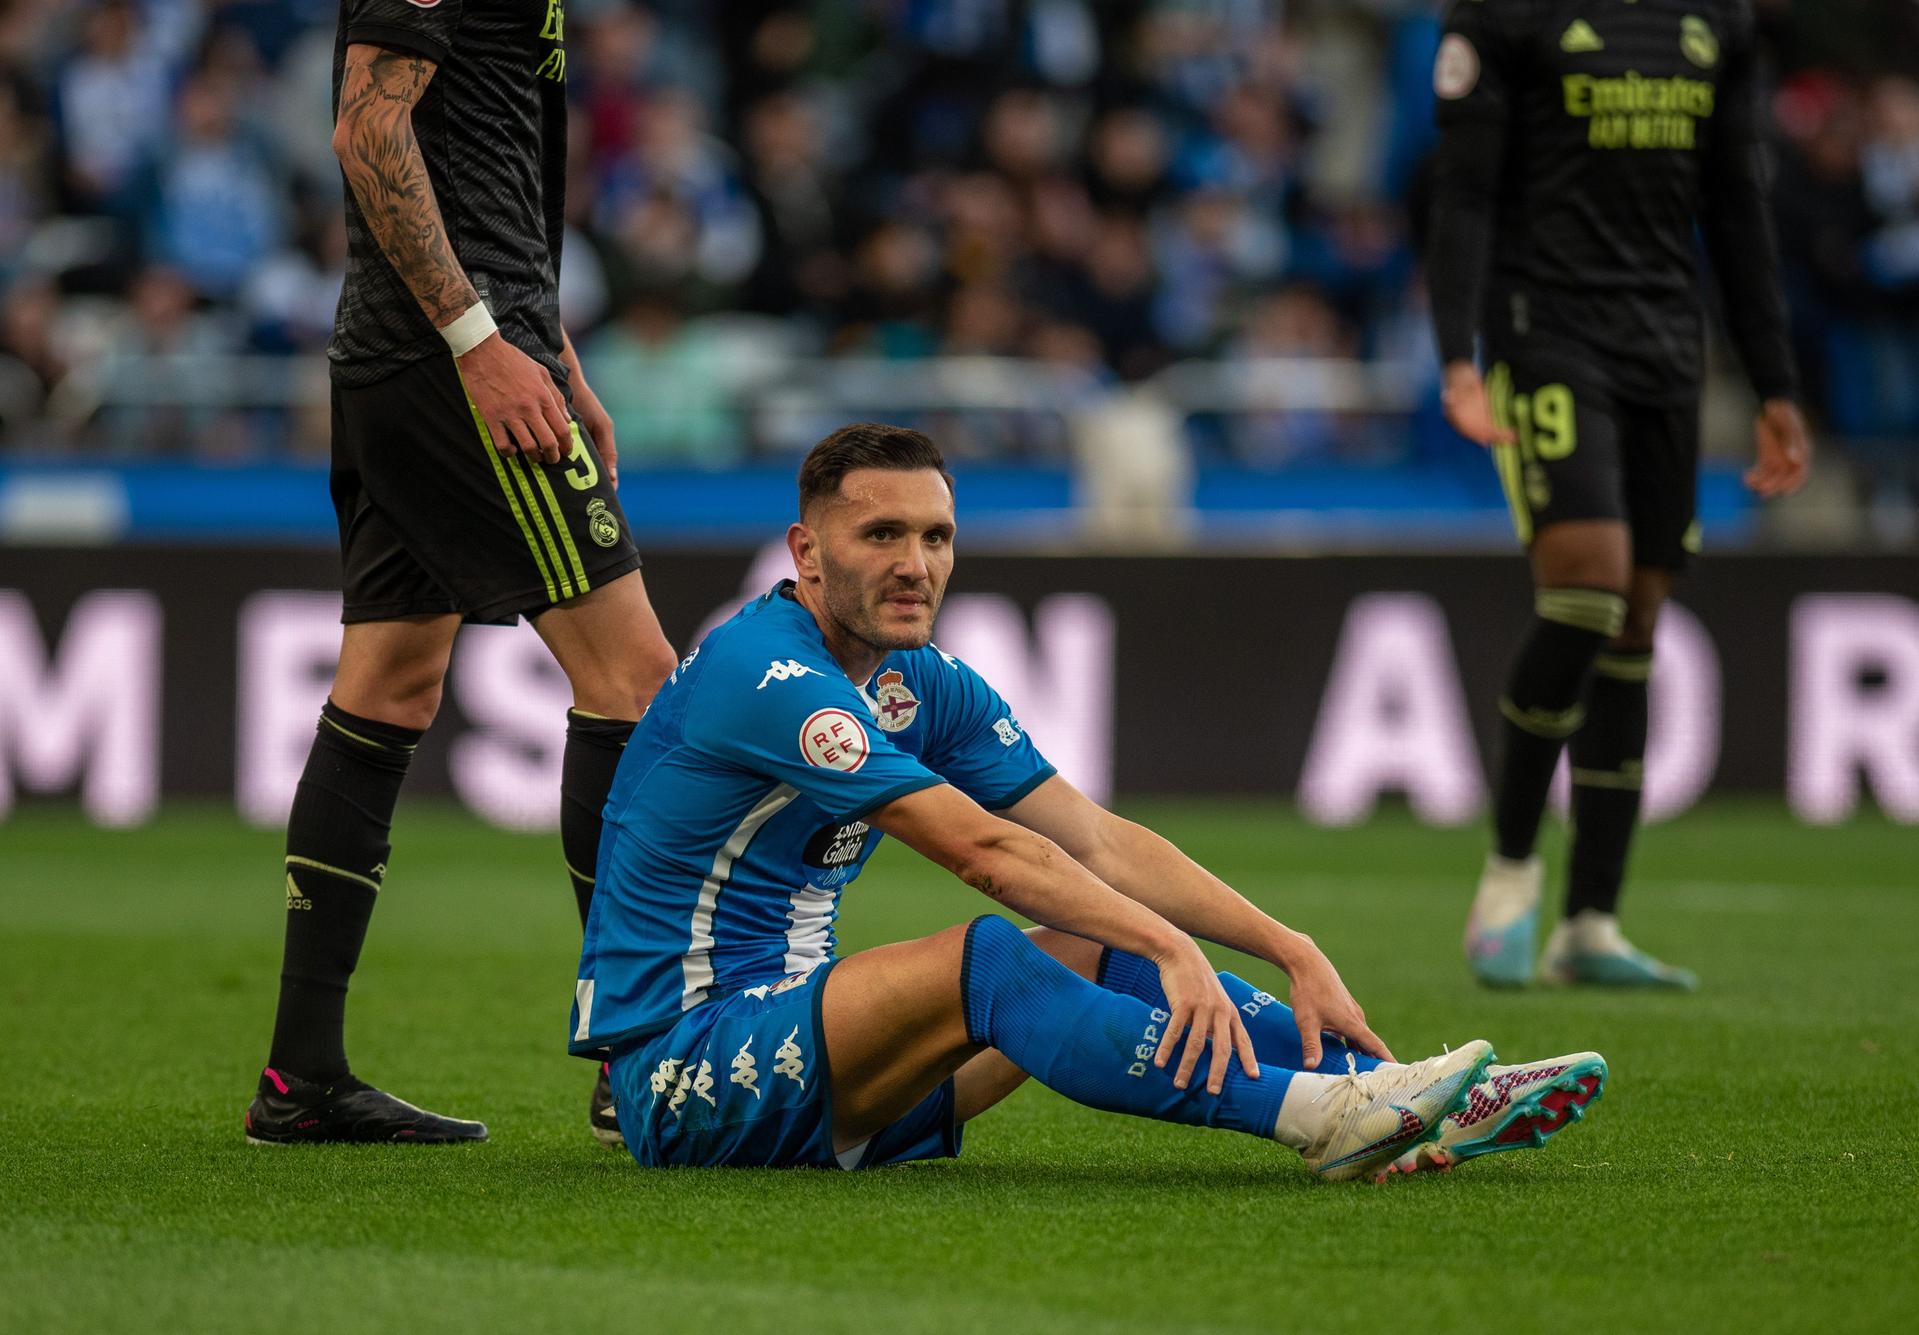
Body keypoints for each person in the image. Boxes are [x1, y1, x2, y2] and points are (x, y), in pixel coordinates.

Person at [572, 423, 1605, 1180]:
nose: (914, 565)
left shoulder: (920, 680)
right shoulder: (763, 671)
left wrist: (1286, 946)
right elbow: (981, 850)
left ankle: (1408, 1092)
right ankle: (1317, 1115)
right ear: (806, 553)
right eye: (880, 535)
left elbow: (1096, 842)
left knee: (1084, 941)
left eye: (935, 536)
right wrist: (1169, 946)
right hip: (683, 1076)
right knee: (991, 952)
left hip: (823, 1066)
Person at [244, 0, 677, 1146]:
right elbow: (367, 134)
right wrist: (482, 343)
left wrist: (554, 350)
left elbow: (490, 177)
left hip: (451, 344)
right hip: (448, 358)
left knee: (389, 682)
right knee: (634, 679)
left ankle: (300, 1077)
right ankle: (633, 1054)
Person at [1426, 0, 1813, 990]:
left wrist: (1771, 381)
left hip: (1664, 348)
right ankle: (1509, 869)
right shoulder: (1503, 18)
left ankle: (1588, 922)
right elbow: (1462, 193)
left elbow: (1734, 203)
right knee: (1586, 592)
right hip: (1542, 329)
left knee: (1636, 620)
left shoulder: (1715, 24)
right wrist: (1456, 359)